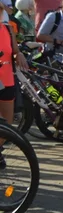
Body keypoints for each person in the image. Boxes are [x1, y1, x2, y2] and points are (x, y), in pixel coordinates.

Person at [0, 23, 29, 168]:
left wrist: (19, 54)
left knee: (6, 126)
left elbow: (14, 51)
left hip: (6, 81)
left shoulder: (7, 29)